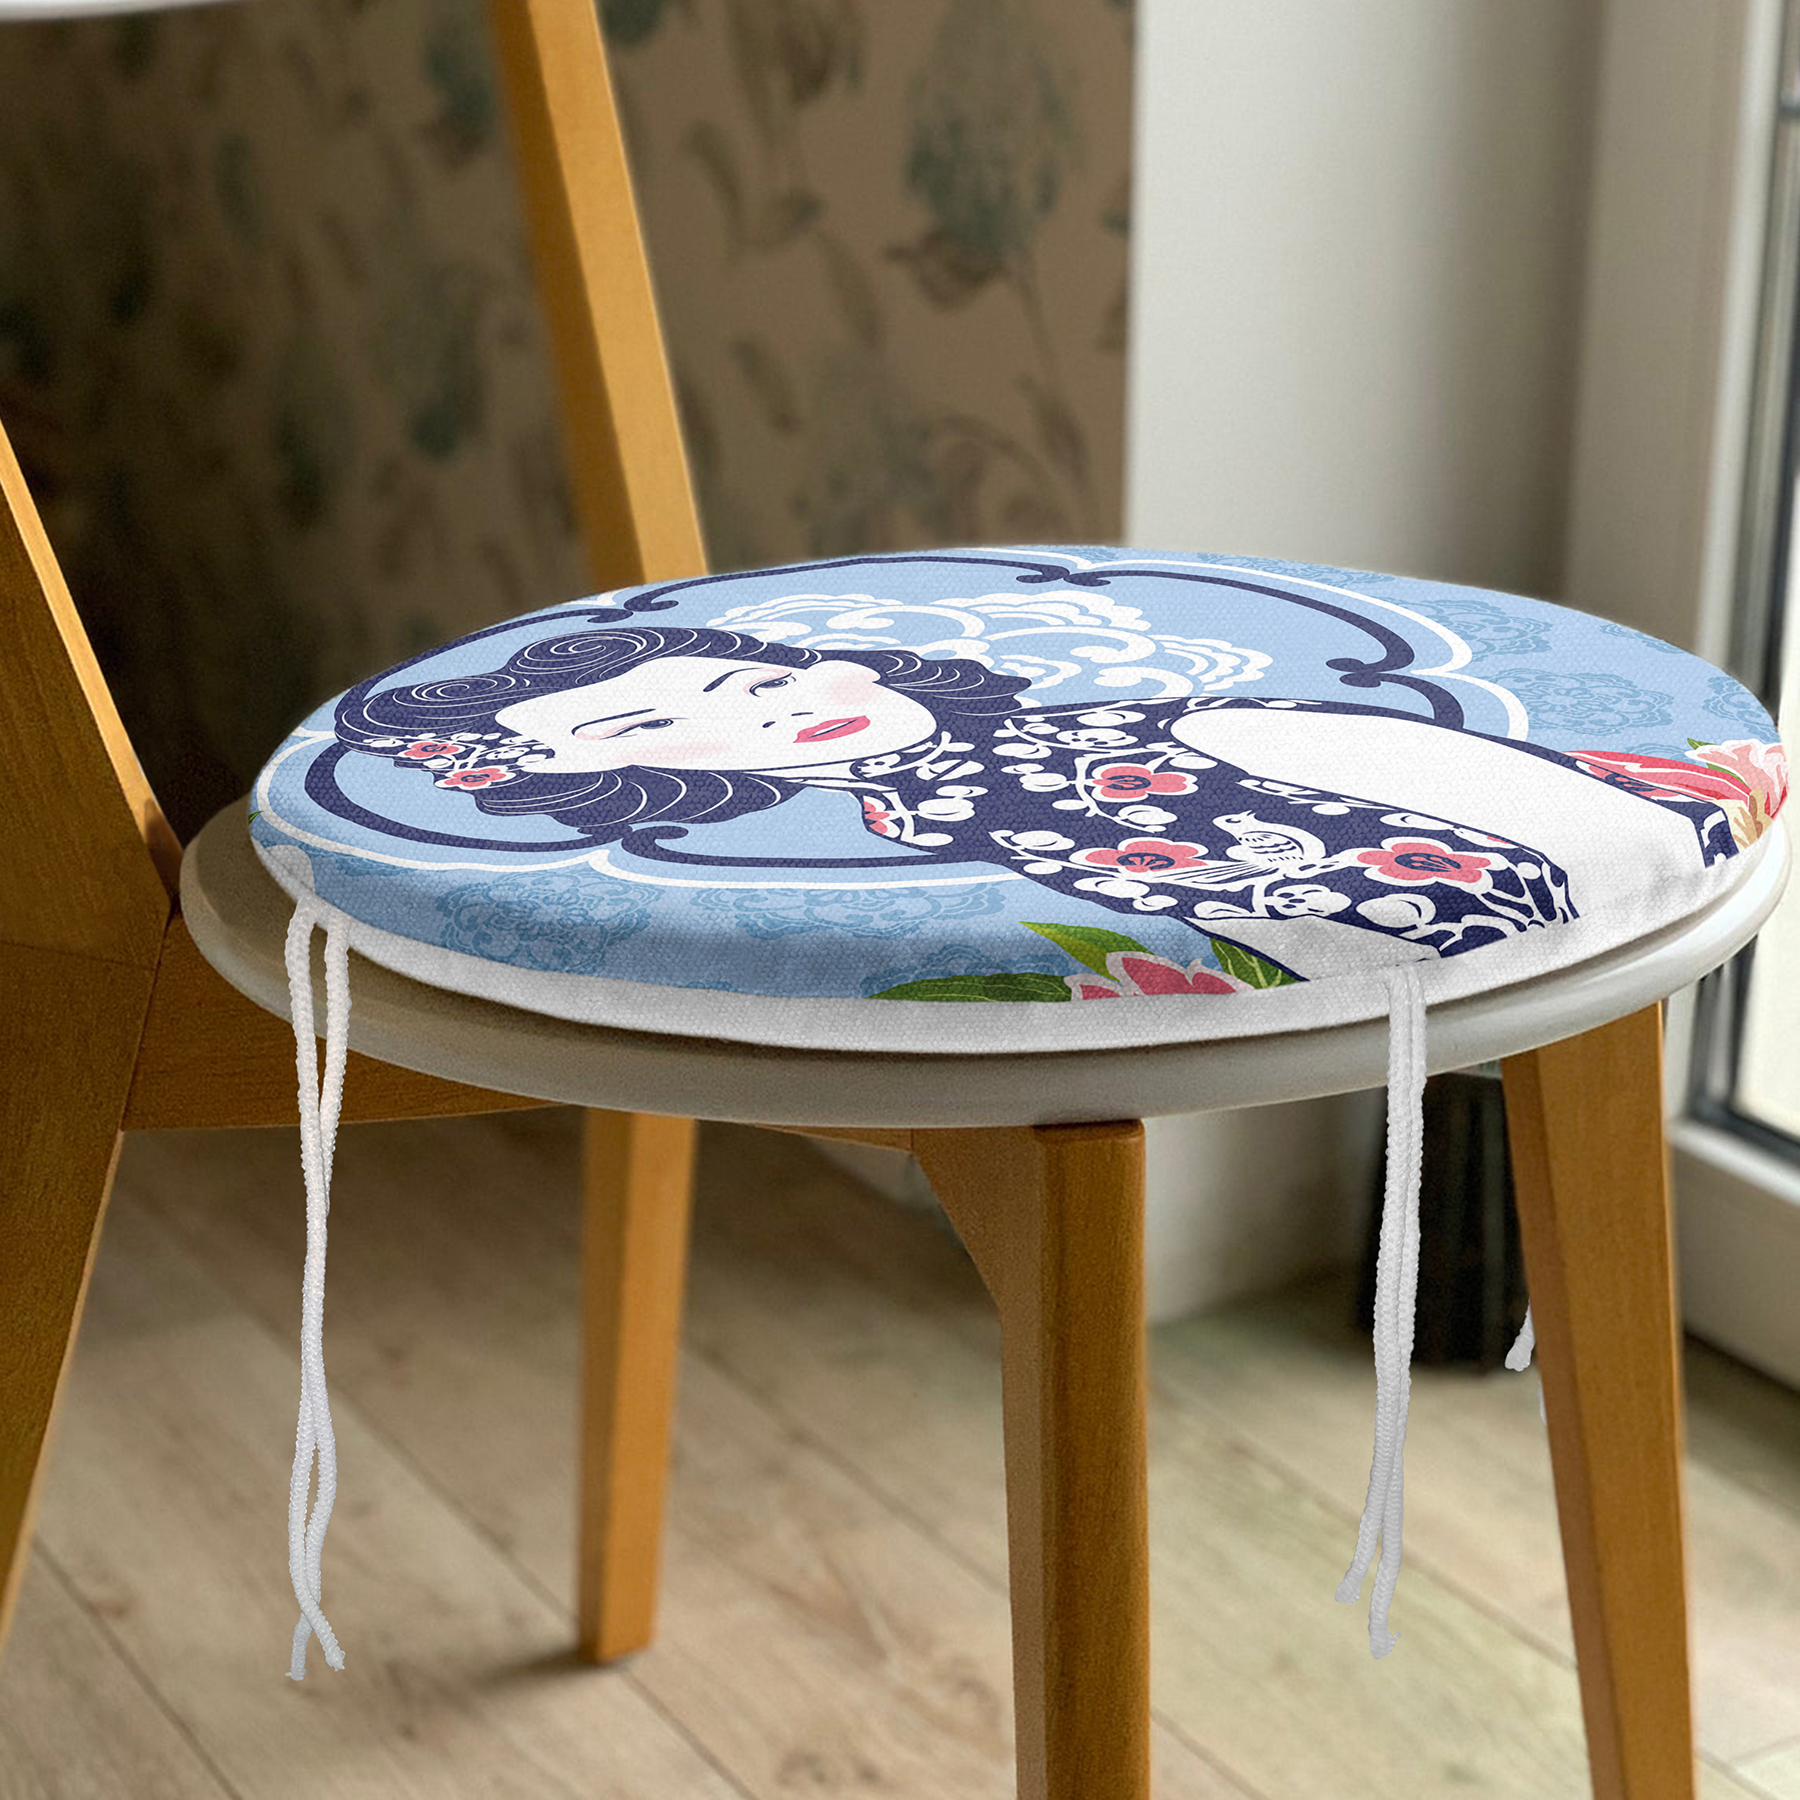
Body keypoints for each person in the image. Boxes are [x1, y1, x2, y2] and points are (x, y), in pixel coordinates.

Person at [331, 622, 1742, 982]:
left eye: (753, 677)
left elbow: (1527, 810)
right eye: (646, 726)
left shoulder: (1170, 732)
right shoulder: (921, 822)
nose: (762, 707)